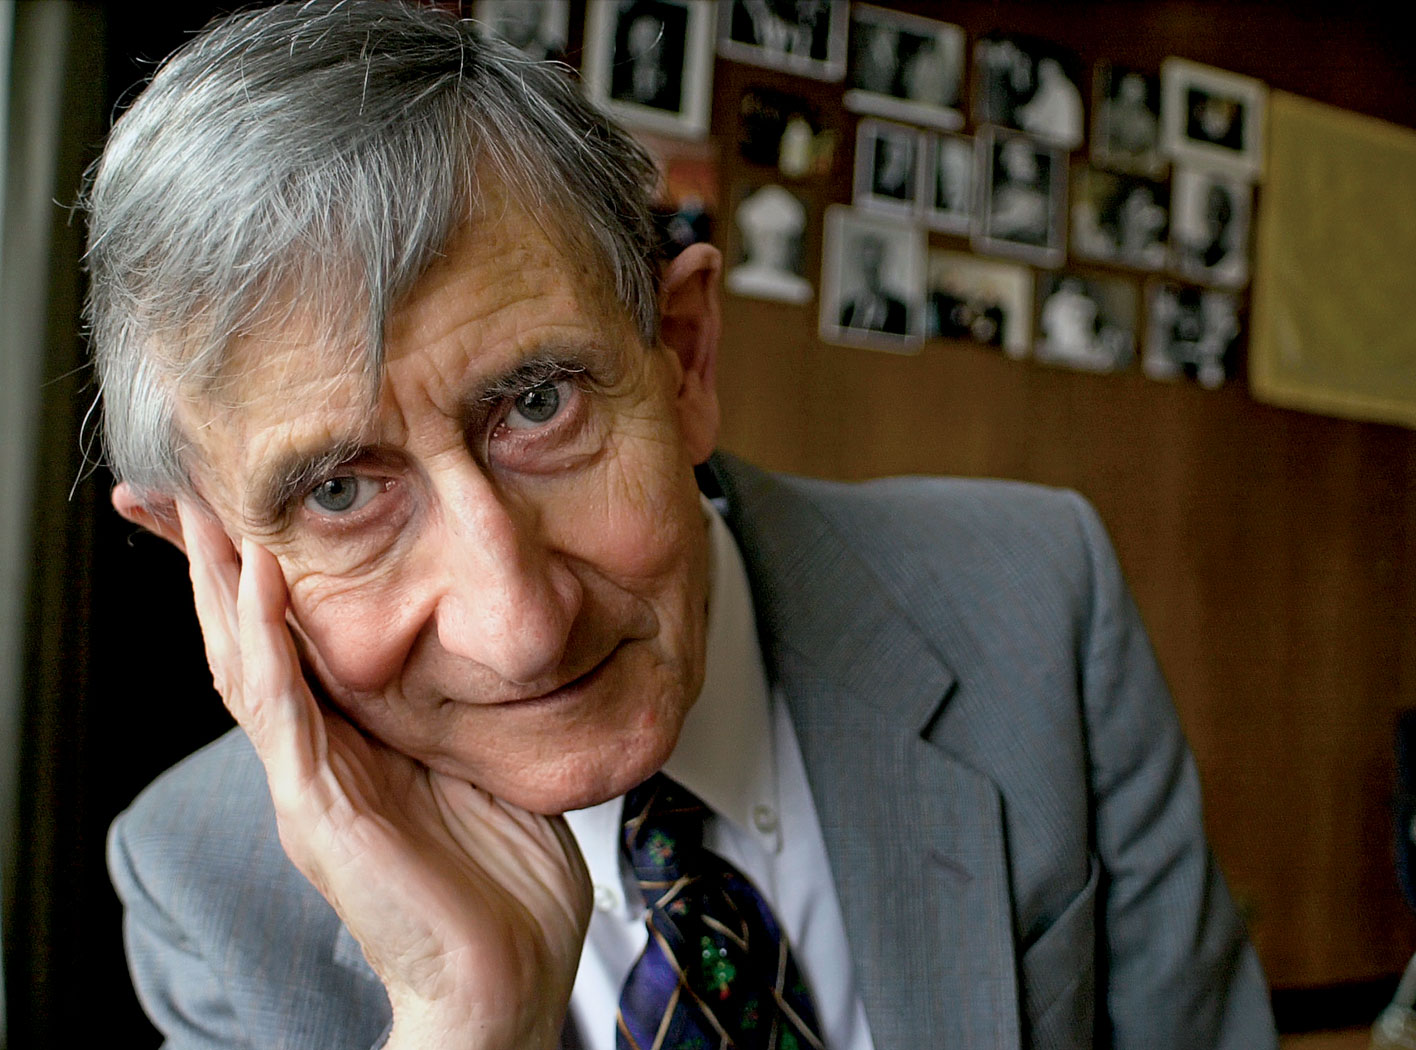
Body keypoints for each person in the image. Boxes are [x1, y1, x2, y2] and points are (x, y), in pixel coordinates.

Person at [88, 4, 1278, 1049]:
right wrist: (466, 1022)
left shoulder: (1038, 598)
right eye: (341, 494)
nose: (520, 628)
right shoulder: (200, 877)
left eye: (539, 405)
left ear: (685, 357)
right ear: (209, 560)